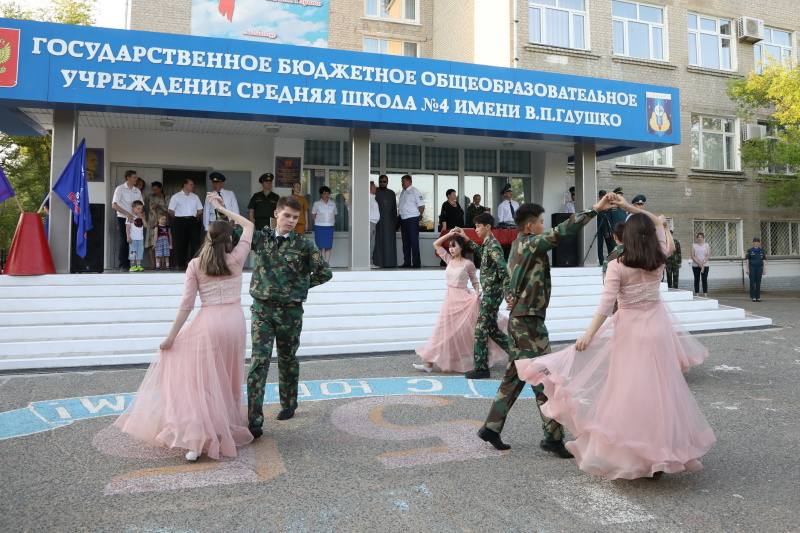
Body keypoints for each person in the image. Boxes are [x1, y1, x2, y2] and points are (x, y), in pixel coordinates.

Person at [514, 196, 715, 480]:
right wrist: (631, 208)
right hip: (658, 330)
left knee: (630, 392)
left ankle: (635, 457)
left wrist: (587, 335)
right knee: (660, 392)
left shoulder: (618, 265)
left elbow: (605, 307)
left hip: (630, 333)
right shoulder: (660, 256)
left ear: (626, 237)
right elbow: (658, 223)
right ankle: (661, 454)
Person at [115, 195, 256, 462]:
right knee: (226, 378)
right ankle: (222, 431)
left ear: (207, 237)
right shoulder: (237, 258)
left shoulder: (195, 264)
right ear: (229, 240)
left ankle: (195, 438)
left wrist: (170, 339)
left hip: (210, 322)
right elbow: (248, 225)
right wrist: (221, 209)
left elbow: (186, 306)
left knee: (197, 379)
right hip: (236, 323)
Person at [476, 194, 615, 456]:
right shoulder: (531, 244)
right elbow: (563, 230)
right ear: (531, 226)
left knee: (514, 377)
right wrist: (596, 208)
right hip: (528, 323)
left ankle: (491, 428)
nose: (544, 225)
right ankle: (552, 438)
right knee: (545, 378)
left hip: (523, 318)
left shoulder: (517, 246)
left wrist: (510, 293)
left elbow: (508, 278)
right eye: (541, 222)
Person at [246, 195, 332, 435]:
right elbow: (237, 232)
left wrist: (299, 286)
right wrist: (222, 209)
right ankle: (254, 420)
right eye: (287, 216)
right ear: (276, 214)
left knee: (287, 359)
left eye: (296, 217)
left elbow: (325, 273)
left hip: (290, 313)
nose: (291, 221)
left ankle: (288, 403)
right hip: (262, 310)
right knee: (258, 363)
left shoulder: (304, 245)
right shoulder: (261, 238)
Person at [413, 230, 507, 373]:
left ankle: (487, 358)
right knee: (441, 330)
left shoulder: (468, 263)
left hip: (464, 299)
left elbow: (475, 281)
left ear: (461, 248)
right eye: (450, 246)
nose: (450, 249)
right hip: (449, 300)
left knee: (471, 331)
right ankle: (428, 364)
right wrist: (450, 234)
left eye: (454, 246)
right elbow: (436, 244)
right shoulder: (448, 259)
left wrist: (476, 291)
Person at [455, 213, 510, 379]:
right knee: (492, 329)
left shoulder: (493, 246)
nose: (476, 229)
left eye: (478, 226)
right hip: (491, 292)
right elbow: (479, 250)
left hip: (493, 294)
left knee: (480, 330)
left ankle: (481, 368)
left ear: (488, 226)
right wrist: (465, 237)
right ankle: (522, 356)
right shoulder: (488, 244)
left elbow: (504, 270)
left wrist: (509, 295)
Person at [168, 178, 203, 271]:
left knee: (195, 242)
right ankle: (181, 264)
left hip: (193, 220)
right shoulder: (176, 196)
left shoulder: (195, 197)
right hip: (180, 221)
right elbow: (170, 210)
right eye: (191, 184)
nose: (193, 186)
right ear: (185, 185)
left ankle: (194, 264)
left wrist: (194, 216)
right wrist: (178, 217)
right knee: (181, 242)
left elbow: (200, 210)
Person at [111, 170, 143, 270]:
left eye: (136, 177)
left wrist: (142, 217)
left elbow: (141, 205)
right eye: (134, 177)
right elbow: (114, 205)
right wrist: (127, 213)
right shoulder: (120, 189)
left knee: (137, 241)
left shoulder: (137, 190)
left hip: (136, 219)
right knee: (125, 240)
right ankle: (123, 264)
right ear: (128, 178)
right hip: (123, 217)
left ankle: (135, 264)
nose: (136, 179)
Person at [398, 175, 425, 268]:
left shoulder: (415, 191)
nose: (402, 183)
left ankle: (416, 263)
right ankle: (407, 262)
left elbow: (421, 205)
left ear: (409, 182)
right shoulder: (403, 192)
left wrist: (419, 215)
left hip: (412, 218)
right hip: (403, 219)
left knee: (414, 241)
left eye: (403, 181)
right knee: (405, 242)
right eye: (401, 181)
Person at [373, 174, 398, 268]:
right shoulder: (375, 191)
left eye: (384, 181)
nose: (382, 183)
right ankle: (378, 262)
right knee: (377, 241)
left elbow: (394, 209)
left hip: (389, 222)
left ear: (387, 182)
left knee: (389, 242)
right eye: (380, 181)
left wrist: (395, 222)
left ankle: (390, 263)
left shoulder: (391, 193)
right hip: (377, 221)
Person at [145, 181, 170, 269]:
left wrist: (158, 205)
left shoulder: (166, 197)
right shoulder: (151, 196)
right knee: (152, 242)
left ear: (161, 188)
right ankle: (153, 264)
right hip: (152, 221)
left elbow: (167, 208)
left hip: (163, 221)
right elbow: (151, 207)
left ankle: (163, 265)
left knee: (163, 242)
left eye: (157, 189)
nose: (155, 191)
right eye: (153, 190)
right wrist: (156, 215)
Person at [311, 185, 337, 262]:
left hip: (329, 227)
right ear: (321, 194)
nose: (327, 195)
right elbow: (313, 215)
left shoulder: (333, 203)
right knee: (319, 246)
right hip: (319, 227)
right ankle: (319, 264)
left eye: (328, 193)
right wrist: (318, 222)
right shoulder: (316, 204)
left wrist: (330, 221)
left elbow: (334, 214)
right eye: (325, 193)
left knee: (328, 246)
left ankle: (326, 264)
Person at [126, 200, 147, 272]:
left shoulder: (141, 217)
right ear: (133, 208)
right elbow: (128, 227)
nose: (140, 210)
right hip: (133, 238)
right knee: (133, 251)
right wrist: (128, 236)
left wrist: (142, 218)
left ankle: (139, 265)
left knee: (140, 251)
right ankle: (132, 265)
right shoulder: (130, 217)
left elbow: (146, 225)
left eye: (141, 209)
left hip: (140, 238)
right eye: (138, 208)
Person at [595, 189, 614, 264]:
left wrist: (607, 231)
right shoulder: (598, 206)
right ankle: (601, 261)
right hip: (599, 229)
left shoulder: (609, 207)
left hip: (607, 229)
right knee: (599, 247)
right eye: (601, 195)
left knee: (610, 246)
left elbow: (609, 219)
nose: (602, 197)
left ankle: (610, 261)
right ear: (599, 196)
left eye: (604, 195)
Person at [745, 237, 767, 302]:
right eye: (755, 242)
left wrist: (764, 269)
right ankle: (753, 296)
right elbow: (747, 260)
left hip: (759, 267)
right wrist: (747, 269)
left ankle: (758, 296)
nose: (756, 243)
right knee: (752, 282)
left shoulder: (761, 251)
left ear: (759, 243)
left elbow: (764, 260)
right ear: (753, 243)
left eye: (758, 242)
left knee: (758, 282)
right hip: (752, 267)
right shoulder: (750, 250)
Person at [691, 232, 710, 298]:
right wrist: (698, 263)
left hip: (705, 265)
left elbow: (708, 255)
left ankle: (705, 294)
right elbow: (693, 255)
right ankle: (697, 294)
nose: (700, 238)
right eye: (698, 237)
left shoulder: (706, 245)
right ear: (697, 238)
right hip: (696, 265)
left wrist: (703, 262)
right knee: (696, 279)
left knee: (704, 279)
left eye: (701, 237)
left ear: (703, 238)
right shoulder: (694, 245)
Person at [369, 181, 380, 269]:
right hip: (369, 222)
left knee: (372, 243)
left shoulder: (373, 198)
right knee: (368, 243)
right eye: (374, 186)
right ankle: (367, 262)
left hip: (374, 223)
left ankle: (370, 262)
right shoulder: (368, 198)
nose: (375, 188)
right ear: (370, 188)